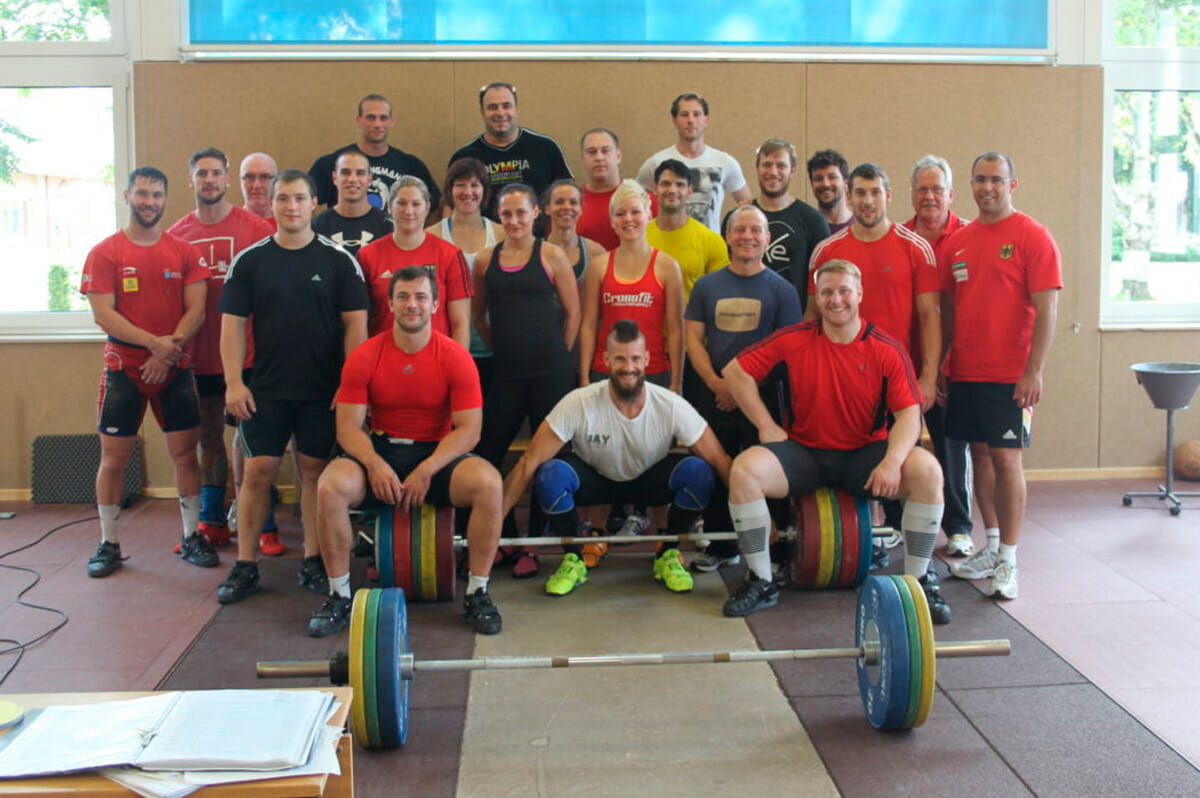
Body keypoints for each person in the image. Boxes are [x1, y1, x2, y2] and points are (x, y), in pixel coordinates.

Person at [721, 260, 951, 623]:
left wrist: (891, 462)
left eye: (844, 290)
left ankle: (920, 580)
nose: (836, 299)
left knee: (928, 472)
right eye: (827, 292)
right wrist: (765, 425)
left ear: (859, 294)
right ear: (818, 297)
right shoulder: (796, 338)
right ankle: (761, 580)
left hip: (864, 458)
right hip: (806, 455)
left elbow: (909, 415)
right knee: (744, 471)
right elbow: (735, 372)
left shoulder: (885, 348)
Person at [311, 266, 504, 637]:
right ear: (390, 303)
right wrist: (374, 464)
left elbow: (470, 430)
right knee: (329, 486)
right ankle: (339, 595)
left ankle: (477, 592)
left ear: (435, 304)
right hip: (381, 449)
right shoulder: (366, 355)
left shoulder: (455, 356)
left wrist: (429, 468)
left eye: (420, 297)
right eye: (403, 297)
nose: (411, 304)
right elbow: (348, 427)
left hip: (436, 452)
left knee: (489, 484)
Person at [216, 169, 369, 605]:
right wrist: (232, 382)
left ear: (314, 204)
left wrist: (349, 384)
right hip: (265, 388)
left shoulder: (339, 261)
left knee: (314, 475)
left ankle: (313, 560)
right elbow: (232, 326)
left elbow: (356, 327)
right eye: (283, 198)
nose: (291, 206)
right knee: (256, 472)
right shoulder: (250, 261)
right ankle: (245, 565)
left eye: (299, 199)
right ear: (273, 204)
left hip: (323, 391)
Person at [501, 320, 732, 596]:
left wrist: (762, 517)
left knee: (699, 471)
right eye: (620, 358)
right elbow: (528, 462)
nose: (628, 367)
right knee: (549, 473)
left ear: (647, 359)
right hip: (596, 479)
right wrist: (493, 524)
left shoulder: (670, 405)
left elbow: (720, 459)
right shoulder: (579, 402)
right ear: (606, 359)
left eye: (635, 358)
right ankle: (573, 558)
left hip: (647, 481)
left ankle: (668, 554)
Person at [80, 166, 214, 578]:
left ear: (165, 199)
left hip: (173, 369)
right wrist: (152, 344)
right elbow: (104, 314)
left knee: (185, 456)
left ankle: (192, 536)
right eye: (142, 194)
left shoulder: (184, 251)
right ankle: (109, 544)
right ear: (127, 196)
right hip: (124, 370)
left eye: (156, 195)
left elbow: (197, 310)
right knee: (114, 459)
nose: (149, 202)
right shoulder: (105, 253)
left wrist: (166, 351)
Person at [943, 152, 1062, 601]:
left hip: (1011, 376)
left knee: (1007, 459)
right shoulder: (959, 241)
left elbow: (1048, 306)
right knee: (980, 455)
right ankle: (990, 545)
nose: (987, 187)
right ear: (970, 185)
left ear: (1013, 184)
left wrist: (1034, 370)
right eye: (979, 179)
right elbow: (952, 310)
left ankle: (1010, 558)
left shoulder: (1033, 236)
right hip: (967, 371)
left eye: (996, 179)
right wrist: (944, 364)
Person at [684, 205, 802, 572]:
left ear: (767, 238)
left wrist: (744, 390)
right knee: (718, 466)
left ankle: (777, 551)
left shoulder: (782, 291)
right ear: (727, 237)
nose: (748, 236)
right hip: (714, 394)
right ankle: (722, 547)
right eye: (740, 230)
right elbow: (692, 340)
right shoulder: (707, 286)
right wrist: (717, 384)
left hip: (763, 399)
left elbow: (787, 350)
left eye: (756, 230)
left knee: (766, 470)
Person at [471, 184, 580, 578]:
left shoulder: (551, 255)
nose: (514, 221)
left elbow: (573, 313)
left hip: (550, 373)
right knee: (486, 453)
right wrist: (500, 349)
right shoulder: (485, 260)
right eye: (506, 214)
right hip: (507, 373)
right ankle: (502, 536)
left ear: (537, 213)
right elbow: (478, 316)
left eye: (521, 213)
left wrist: (558, 358)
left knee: (545, 457)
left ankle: (533, 544)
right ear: (498, 217)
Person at [167, 148, 272, 547]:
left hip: (250, 356)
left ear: (228, 179)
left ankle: (260, 523)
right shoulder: (177, 236)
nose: (209, 180)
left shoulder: (255, 229)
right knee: (208, 438)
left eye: (216, 173)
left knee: (253, 441)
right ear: (190, 180)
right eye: (201, 174)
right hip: (200, 357)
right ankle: (211, 520)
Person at [902, 154, 974, 558]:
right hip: (905, 365)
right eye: (922, 190)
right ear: (911, 195)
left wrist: (943, 367)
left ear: (950, 194)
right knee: (899, 445)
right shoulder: (899, 238)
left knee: (951, 447)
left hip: (951, 368)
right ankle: (898, 523)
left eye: (936, 190)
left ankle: (959, 527)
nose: (929, 197)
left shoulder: (968, 236)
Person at [578, 180, 684, 394]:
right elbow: (589, 325)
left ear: (648, 216)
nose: (628, 219)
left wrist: (676, 382)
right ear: (612, 221)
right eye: (620, 214)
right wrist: (583, 376)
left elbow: (675, 329)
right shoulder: (598, 266)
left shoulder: (668, 267)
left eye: (635, 212)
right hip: (605, 370)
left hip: (653, 371)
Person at [357, 176, 472, 345]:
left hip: (437, 359)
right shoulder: (367, 255)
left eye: (416, 204)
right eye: (401, 203)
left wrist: (457, 365)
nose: (408, 211)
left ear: (427, 207)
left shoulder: (450, 255)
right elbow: (359, 322)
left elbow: (461, 324)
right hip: (385, 358)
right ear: (390, 206)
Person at [426, 158, 506, 394]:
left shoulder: (501, 234)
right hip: (448, 345)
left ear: (484, 190)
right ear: (450, 190)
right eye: (460, 185)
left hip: (494, 344)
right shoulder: (432, 236)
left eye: (475, 185)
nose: (468, 192)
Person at [723, 138, 828, 309]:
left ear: (792, 170)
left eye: (781, 165)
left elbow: (822, 280)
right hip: (744, 315)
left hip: (794, 320)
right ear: (757, 168)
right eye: (766, 165)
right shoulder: (736, 220)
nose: (773, 172)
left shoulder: (813, 221)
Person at [448, 82, 572, 219]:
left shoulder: (546, 148)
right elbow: (451, 207)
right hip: (486, 239)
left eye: (506, 106)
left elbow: (569, 196)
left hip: (541, 237)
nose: (500, 113)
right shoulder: (465, 157)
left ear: (516, 109)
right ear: (482, 112)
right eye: (492, 107)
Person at [636, 92, 751, 232]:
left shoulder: (725, 162)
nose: (691, 120)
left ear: (706, 120)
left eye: (696, 114)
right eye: (684, 114)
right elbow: (635, 205)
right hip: (666, 247)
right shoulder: (656, 163)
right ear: (674, 120)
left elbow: (747, 206)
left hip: (709, 249)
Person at [308, 93, 441, 214]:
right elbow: (304, 202)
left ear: (391, 122)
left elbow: (436, 206)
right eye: (371, 118)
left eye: (383, 118)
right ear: (359, 120)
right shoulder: (333, 163)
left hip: (393, 239)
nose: (377, 124)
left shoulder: (411, 166)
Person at [646, 159, 729, 299]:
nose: (672, 190)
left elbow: (721, 296)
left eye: (680, 184)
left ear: (689, 191)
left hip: (691, 321)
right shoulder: (639, 237)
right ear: (655, 189)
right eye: (665, 184)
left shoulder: (711, 241)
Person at [576, 128, 657, 251]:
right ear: (582, 159)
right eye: (591, 152)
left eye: (605, 151)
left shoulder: (643, 200)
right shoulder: (570, 204)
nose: (599, 157)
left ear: (618, 156)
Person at [311, 148, 393, 256]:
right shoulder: (316, 228)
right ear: (335, 178)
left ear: (370, 179)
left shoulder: (388, 227)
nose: (352, 179)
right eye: (345, 172)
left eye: (360, 173)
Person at [543, 179, 607, 289]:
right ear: (547, 209)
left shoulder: (596, 252)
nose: (567, 207)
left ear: (581, 209)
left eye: (573, 202)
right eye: (559, 202)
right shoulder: (534, 252)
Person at [806, 149, 852, 235]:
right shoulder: (806, 229)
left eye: (832, 177)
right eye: (818, 179)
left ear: (846, 183)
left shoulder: (861, 227)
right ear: (812, 184)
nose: (826, 184)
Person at [239, 152, 277, 223]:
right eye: (250, 177)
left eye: (264, 177)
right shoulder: (228, 226)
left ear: (276, 181)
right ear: (240, 181)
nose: (257, 185)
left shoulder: (288, 227)